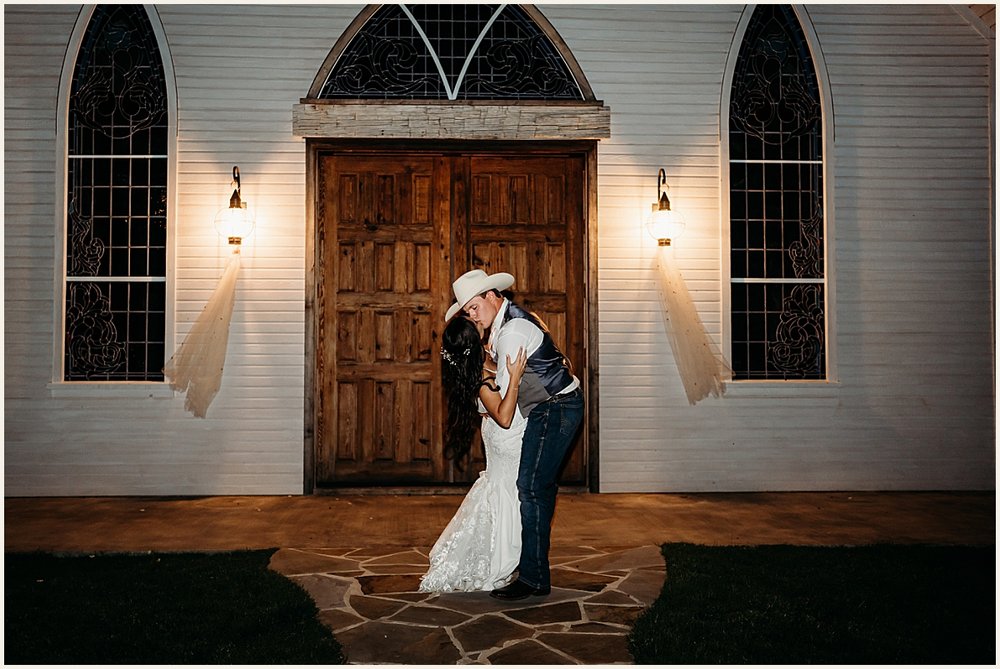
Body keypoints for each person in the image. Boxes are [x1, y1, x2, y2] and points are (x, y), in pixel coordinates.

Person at [444, 269, 585, 601]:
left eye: (474, 308)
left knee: (532, 488)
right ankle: (532, 569)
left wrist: (496, 375)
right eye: (467, 313)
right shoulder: (503, 327)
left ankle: (533, 578)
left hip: (556, 407)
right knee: (537, 488)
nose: (473, 317)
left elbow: (504, 410)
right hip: (545, 408)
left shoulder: (512, 333)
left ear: (492, 296)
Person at [418, 316, 528, 592]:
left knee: (501, 491)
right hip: (505, 437)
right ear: (473, 337)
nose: (478, 320)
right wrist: (513, 379)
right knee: (506, 492)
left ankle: (511, 556)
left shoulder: (480, 363)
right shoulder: (481, 377)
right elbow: (503, 416)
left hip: (495, 438)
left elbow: (483, 411)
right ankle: (503, 559)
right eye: (473, 322)